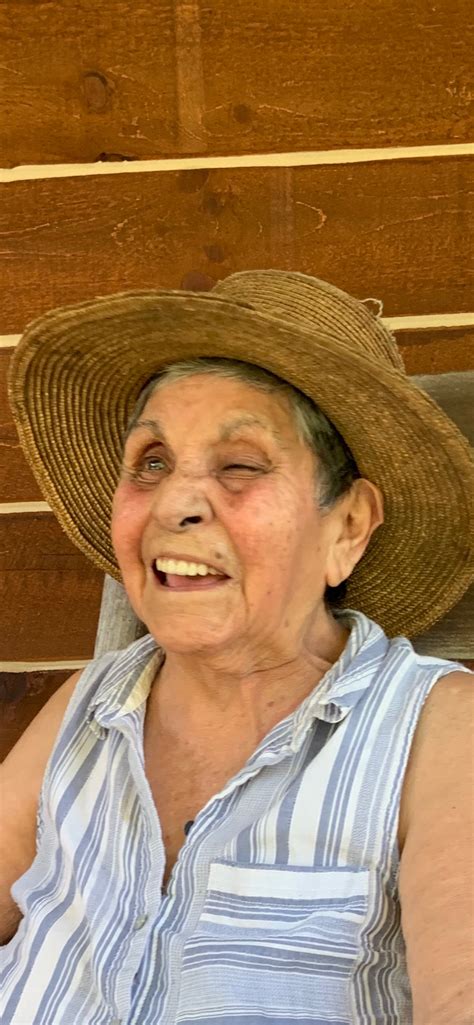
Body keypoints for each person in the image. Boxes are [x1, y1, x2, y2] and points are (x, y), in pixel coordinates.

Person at [1, 269, 473, 1025]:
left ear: (348, 527)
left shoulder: (439, 731)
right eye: (152, 460)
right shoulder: (88, 704)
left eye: (241, 465)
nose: (175, 502)